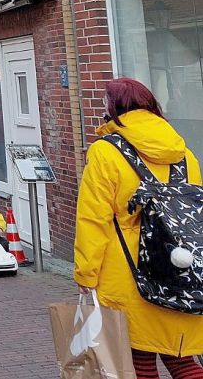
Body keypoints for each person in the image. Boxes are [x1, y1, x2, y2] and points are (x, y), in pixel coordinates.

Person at [75, 78, 203, 377]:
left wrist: (86, 272)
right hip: (179, 271)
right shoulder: (182, 152)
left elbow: (94, 218)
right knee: (181, 358)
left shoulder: (106, 151)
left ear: (113, 108)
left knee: (138, 359)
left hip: (129, 274)